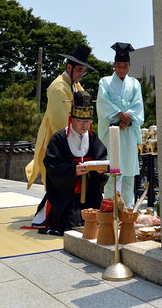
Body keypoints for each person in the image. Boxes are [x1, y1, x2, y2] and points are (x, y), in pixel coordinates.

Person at [33, 91, 108, 235]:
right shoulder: (59, 139)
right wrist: (72, 170)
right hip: (66, 195)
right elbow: (52, 165)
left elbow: (103, 159)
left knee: (94, 222)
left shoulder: (93, 138)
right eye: (79, 121)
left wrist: (101, 171)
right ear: (71, 119)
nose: (83, 126)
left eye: (87, 121)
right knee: (70, 225)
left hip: (90, 194)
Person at [25, 45, 95, 189]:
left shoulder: (75, 85)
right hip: (60, 140)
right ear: (69, 67)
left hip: (75, 135)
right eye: (79, 70)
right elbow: (60, 121)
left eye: (83, 71)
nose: (81, 74)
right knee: (57, 180)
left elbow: (84, 104)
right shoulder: (58, 86)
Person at [96, 42, 144, 206]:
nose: (121, 69)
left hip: (128, 132)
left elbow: (137, 106)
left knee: (129, 173)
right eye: (118, 66)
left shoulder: (135, 84)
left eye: (124, 66)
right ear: (114, 65)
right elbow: (103, 103)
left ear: (129, 66)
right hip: (112, 132)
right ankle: (109, 206)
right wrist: (118, 116)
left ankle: (128, 207)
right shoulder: (105, 82)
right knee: (114, 172)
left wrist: (126, 120)